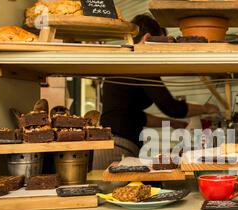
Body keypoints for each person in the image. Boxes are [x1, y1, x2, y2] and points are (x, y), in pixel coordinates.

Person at [93, 13, 220, 170]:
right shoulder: (141, 64)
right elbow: (172, 108)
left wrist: (172, 124)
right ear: (147, 39)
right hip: (116, 150)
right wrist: (206, 108)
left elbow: (132, 115)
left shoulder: (125, 63)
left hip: (113, 145)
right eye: (161, 44)